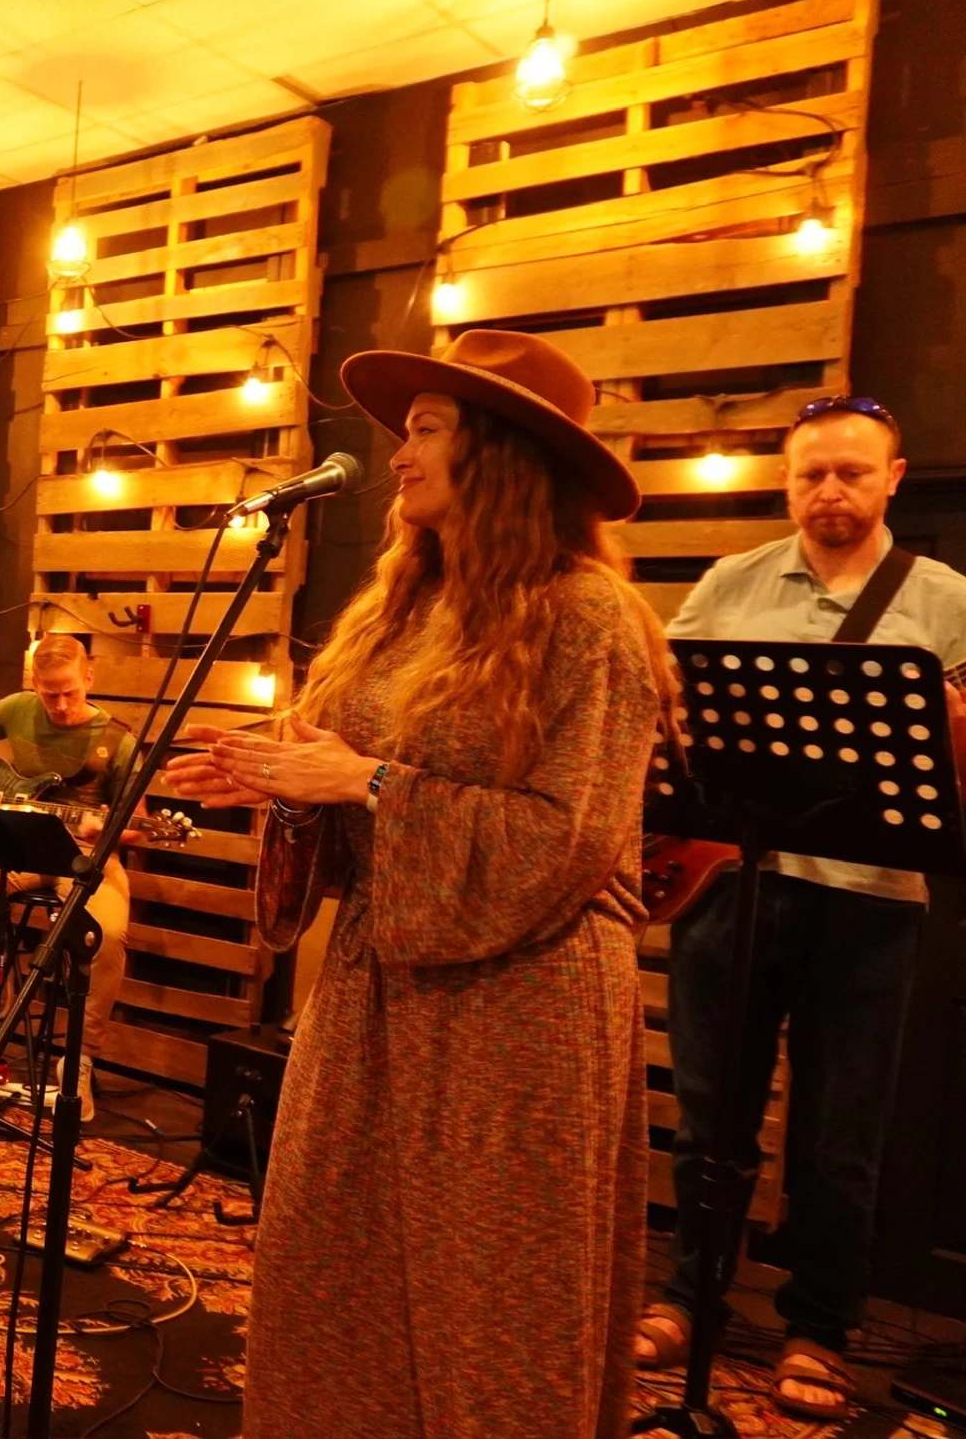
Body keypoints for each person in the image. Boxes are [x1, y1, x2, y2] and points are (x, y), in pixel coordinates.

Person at [163, 329, 671, 1436]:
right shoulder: (399, 612)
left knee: (487, 1298)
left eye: (428, 429)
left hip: (517, 1013)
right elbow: (354, 780)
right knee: (330, 1257)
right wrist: (283, 782)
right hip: (375, 992)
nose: (398, 454)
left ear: (497, 451)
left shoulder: (591, 620)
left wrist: (369, 782)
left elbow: (566, 842)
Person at [640, 395, 966, 1421]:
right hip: (734, 884)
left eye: (851, 474)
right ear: (787, 481)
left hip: (871, 900)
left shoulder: (947, 598)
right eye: (809, 474)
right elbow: (669, 715)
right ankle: (689, 1293)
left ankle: (818, 1327)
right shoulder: (730, 582)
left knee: (838, 1134)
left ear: (892, 479)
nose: (828, 491)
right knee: (709, 1116)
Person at [0, 634, 138, 1122]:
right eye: (49, 693)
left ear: (89, 678)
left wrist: (108, 829)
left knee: (109, 932)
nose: (60, 703)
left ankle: (80, 1061)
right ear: (34, 684)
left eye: (70, 691)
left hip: (88, 855)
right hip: (26, 841)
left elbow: (135, 821)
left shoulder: (118, 740)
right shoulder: (17, 708)